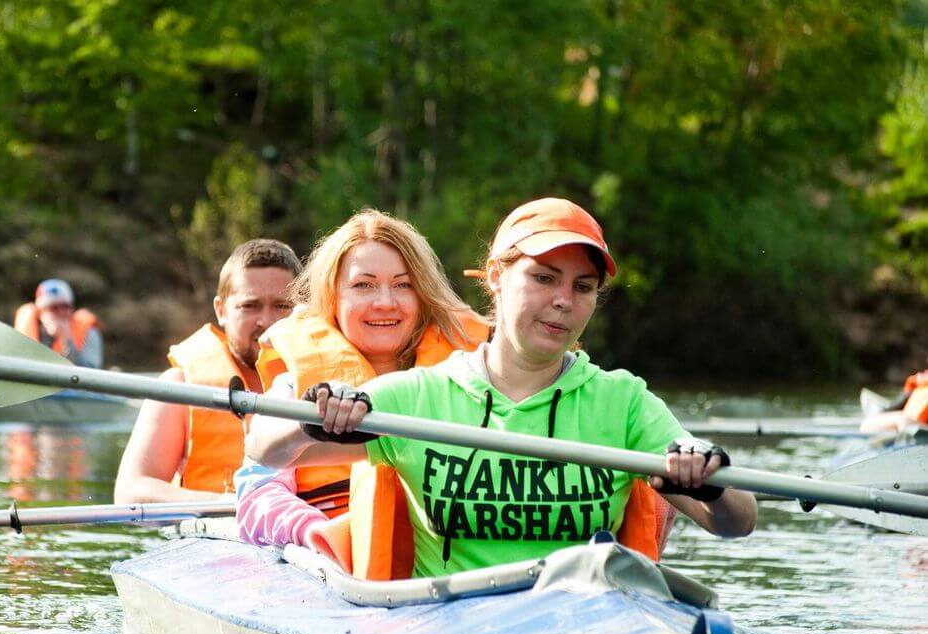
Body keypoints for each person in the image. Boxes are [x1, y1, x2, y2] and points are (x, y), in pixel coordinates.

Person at [245, 197, 756, 578]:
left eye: (582, 288)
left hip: (583, 626)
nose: (563, 301)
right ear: (495, 276)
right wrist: (312, 417)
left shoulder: (623, 401)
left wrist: (707, 483)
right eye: (543, 278)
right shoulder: (419, 396)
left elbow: (737, 521)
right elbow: (267, 451)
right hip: (451, 630)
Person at [233, 209, 491, 577]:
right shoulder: (296, 383)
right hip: (330, 557)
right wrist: (315, 534)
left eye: (403, 285)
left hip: (448, 558)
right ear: (332, 297)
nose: (385, 302)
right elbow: (256, 491)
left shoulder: (469, 376)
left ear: (423, 296)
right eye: (363, 285)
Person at [113, 239, 302, 503]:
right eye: (250, 305)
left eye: (281, 306)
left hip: (309, 532)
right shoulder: (180, 387)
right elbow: (132, 492)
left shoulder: (329, 383)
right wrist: (233, 505)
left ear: (302, 311)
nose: (266, 321)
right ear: (221, 311)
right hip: (217, 533)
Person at [14, 279, 104, 368]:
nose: (61, 313)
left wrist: (67, 341)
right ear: (40, 312)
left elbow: (90, 372)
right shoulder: (27, 329)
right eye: (54, 308)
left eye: (65, 307)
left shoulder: (88, 330)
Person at [859, 362, 928, 435]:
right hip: (907, 422)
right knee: (867, 423)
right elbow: (899, 405)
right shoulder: (919, 385)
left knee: (901, 419)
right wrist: (911, 383)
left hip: (913, 425)